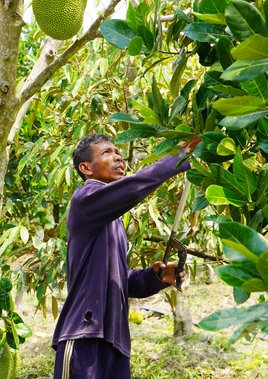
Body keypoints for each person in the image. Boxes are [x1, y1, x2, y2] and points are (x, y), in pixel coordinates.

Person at [52, 133, 201, 379]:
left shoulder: (112, 218)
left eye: (117, 151)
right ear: (86, 168)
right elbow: (133, 187)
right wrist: (177, 157)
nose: (118, 156)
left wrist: (156, 277)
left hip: (115, 341)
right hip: (83, 336)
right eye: (107, 152)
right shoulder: (85, 199)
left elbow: (121, 281)